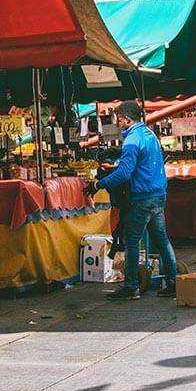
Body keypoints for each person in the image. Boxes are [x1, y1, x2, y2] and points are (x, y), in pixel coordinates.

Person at [83, 100, 178, 301]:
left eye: (118, 118)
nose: (116, 122)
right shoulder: (150, 134)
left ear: (126, 119)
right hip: (158, 194)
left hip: (142, 197)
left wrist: (98, 185)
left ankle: (131, 286)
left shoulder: (133, 140)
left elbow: (125, 173)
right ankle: (173, 282)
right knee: (161, 240)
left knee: (131, 241)